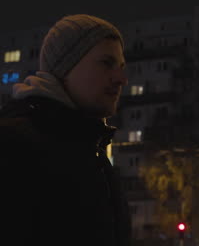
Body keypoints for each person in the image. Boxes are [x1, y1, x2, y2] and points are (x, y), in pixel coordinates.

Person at [0, 14, 131, 246]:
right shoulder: (13, 146)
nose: (121, 78)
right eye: (106, 63)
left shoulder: (94, 152)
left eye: (121, 66)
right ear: (65, 67)